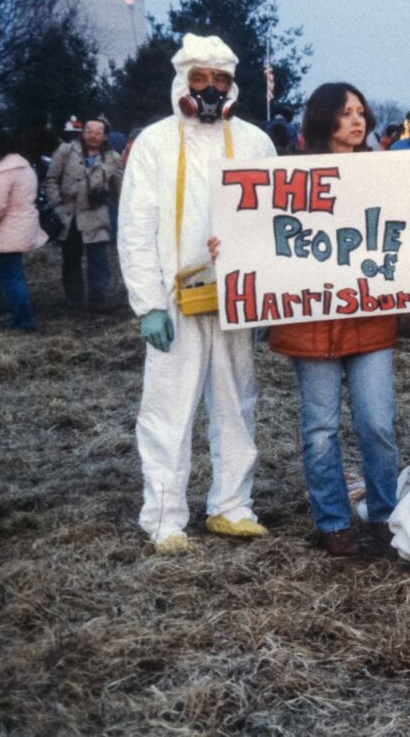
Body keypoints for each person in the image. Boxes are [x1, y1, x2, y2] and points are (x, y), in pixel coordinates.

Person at [117, 34, 276, 553]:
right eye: (201, 80)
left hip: (237, 296)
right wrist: (148, 304)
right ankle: (164, 516)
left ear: (233, 85)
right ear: (183, 83)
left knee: (238, 402)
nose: (210, 89)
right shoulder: (156, 143)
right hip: (174, 297)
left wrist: (271, 291)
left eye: (220, 80)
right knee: (169, 405)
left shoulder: (254, 141)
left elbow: (279, 218)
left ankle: (232, 505)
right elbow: (136, 226)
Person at [263, 84, 402, 558]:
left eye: (361, 112)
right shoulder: (288, 175)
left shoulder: (385, 173)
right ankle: (332, 521)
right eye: (345, 113)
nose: (357, 121)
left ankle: (386, 515)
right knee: (320, 429)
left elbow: (400, 233)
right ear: (325, 119)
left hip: (368, 317)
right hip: (310, 321)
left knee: (377, 423)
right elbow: (262, 236)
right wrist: (233, 245)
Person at [45, 116, 123, 311]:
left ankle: (98, 300)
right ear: (82, 132)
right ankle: (74, 298)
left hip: (97, 216)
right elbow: (52, 179)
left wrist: (124, 211)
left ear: (105, 136)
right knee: (71, 259)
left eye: (98, 132)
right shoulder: (66, 151)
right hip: (70, 217)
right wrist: (57, 202)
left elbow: (120, 190)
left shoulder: (113, 158)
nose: (92, 136)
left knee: (98, 260)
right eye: (88, 131)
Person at [0, 129, 47, 332]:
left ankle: (24, 322)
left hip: (3, 233)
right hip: (17, 230)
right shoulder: (23, 166)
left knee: (11, 279)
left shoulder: (0, 172)